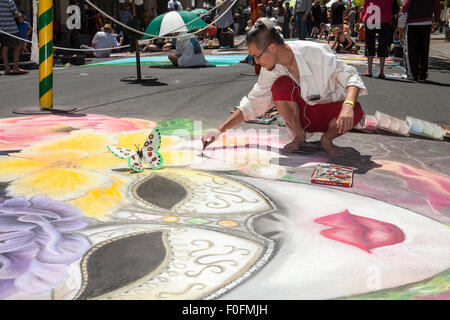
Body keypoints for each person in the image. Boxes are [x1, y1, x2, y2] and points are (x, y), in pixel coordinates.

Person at [202, 18, 367, 157]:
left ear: (272, 47)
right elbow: (254, 102)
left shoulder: (313, 52)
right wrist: (219, 129)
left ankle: (327, 139)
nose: (257, 62)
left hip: (330, 117)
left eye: (256, 56)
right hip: (305, 119)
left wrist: (348, 106)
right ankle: (299, 136)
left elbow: (350, 76)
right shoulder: (272, 68)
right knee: (280, 85)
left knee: (356, 109)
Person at [400, 0, 441, 82]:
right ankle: (423, 74)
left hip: (413, 21)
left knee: (411, 49)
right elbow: (437, 5)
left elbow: (407, 3)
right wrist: (436, 20)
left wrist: (402, 10)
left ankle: (412, 74)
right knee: (424, 49)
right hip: (427, 21)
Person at [361, 0, 395, 79]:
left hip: (371, 15)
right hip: (384, 17)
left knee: (370, 43)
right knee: (383, 43)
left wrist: (364, 17)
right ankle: (381, 72)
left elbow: (365, 4)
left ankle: (369, 71)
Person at [0, 0, 28, 75]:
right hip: (11, 28)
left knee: (4, 47)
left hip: (1, 29)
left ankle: (7, 69)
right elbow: (16, 14)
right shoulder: (9, 1)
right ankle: (16, 68)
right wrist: (20, 16)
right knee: (18, 46)